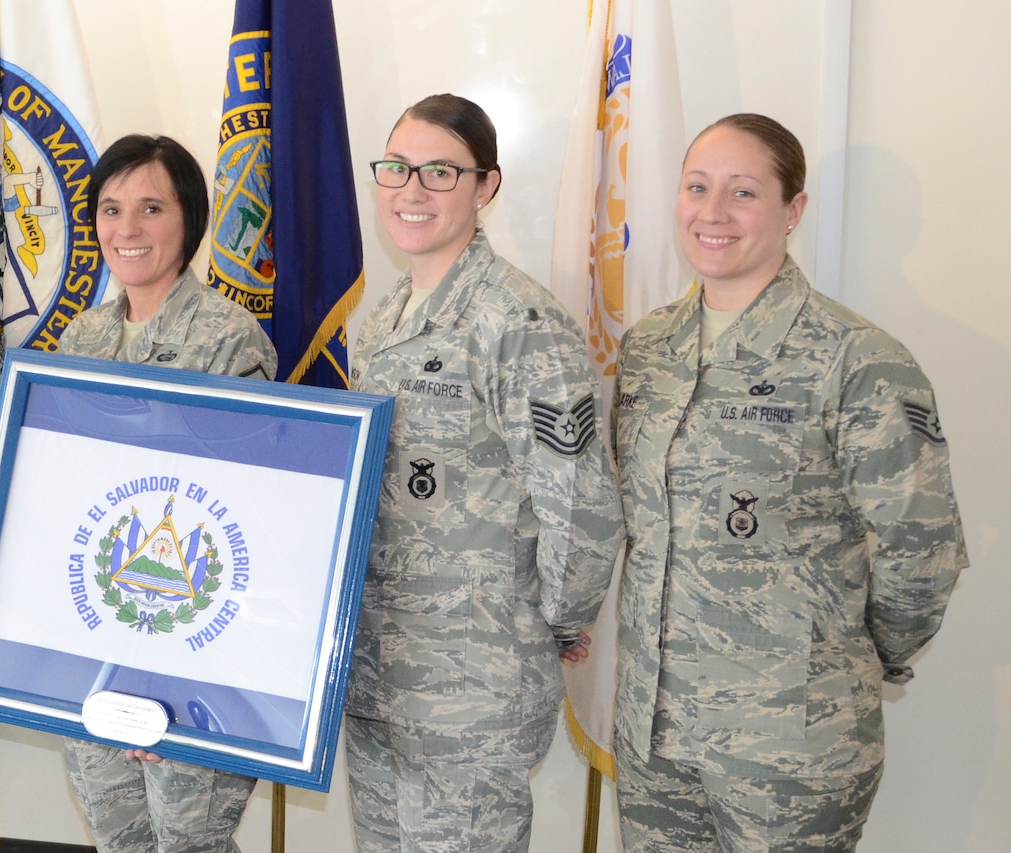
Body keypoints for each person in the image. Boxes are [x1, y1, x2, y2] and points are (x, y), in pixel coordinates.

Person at [610, 113, 968, 851]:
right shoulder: (648, 349)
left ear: (792, 209)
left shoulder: (856, 359)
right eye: (697, 187)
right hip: (655, 736)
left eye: (743, 192)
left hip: (791, 749)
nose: (713, 212)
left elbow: (921, 549)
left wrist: (843, 653)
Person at [342, 94, 623, 851]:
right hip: (376, 673)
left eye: (440, 171)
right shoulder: (385, 318)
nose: (412, 190)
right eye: (397, 168)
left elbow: (583, 505)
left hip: (471, 689)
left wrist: (557, 621)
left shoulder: (517, 323)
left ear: (486, 187)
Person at [55, 134, 276, 852]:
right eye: (111, 209)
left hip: (195, 658)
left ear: (190, 220)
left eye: (151, 208)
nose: (127, 229)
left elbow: (237, 523)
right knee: (121, 840)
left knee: (189, 843)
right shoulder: (79, 342)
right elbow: (64, 509)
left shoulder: (229, 342)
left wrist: (164, 682)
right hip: (97, 648)